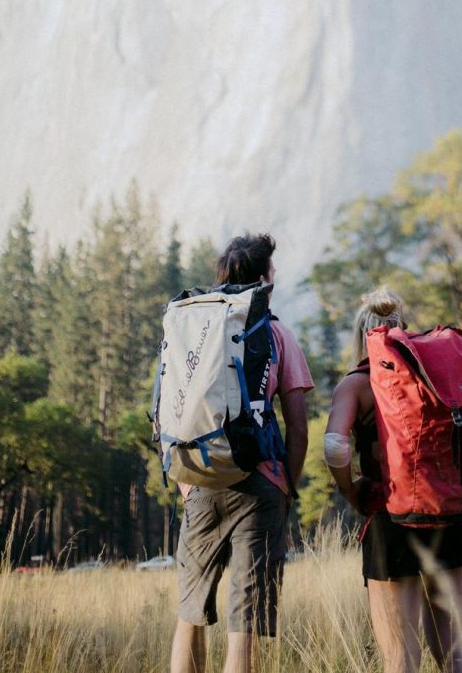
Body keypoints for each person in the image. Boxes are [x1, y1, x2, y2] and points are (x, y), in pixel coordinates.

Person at [324, 287, 462, 673]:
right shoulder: (429, 379)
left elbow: (336, 447)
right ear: (402, 330)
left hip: (391, 521)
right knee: (454, 652)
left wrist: (350, 489)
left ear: (362, 335)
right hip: (446, 517)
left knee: (402, 658)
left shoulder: (355, 384)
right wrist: (446, 474)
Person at [170, 233, 313, 673]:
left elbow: (171, 413)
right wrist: (285, 485)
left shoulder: (193, 331)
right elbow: (299, 425)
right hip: (261, 482)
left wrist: (186, 484)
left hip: (200, 479)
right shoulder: (276, 333)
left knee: (189, 617)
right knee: (243, 624)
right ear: (265, 278)